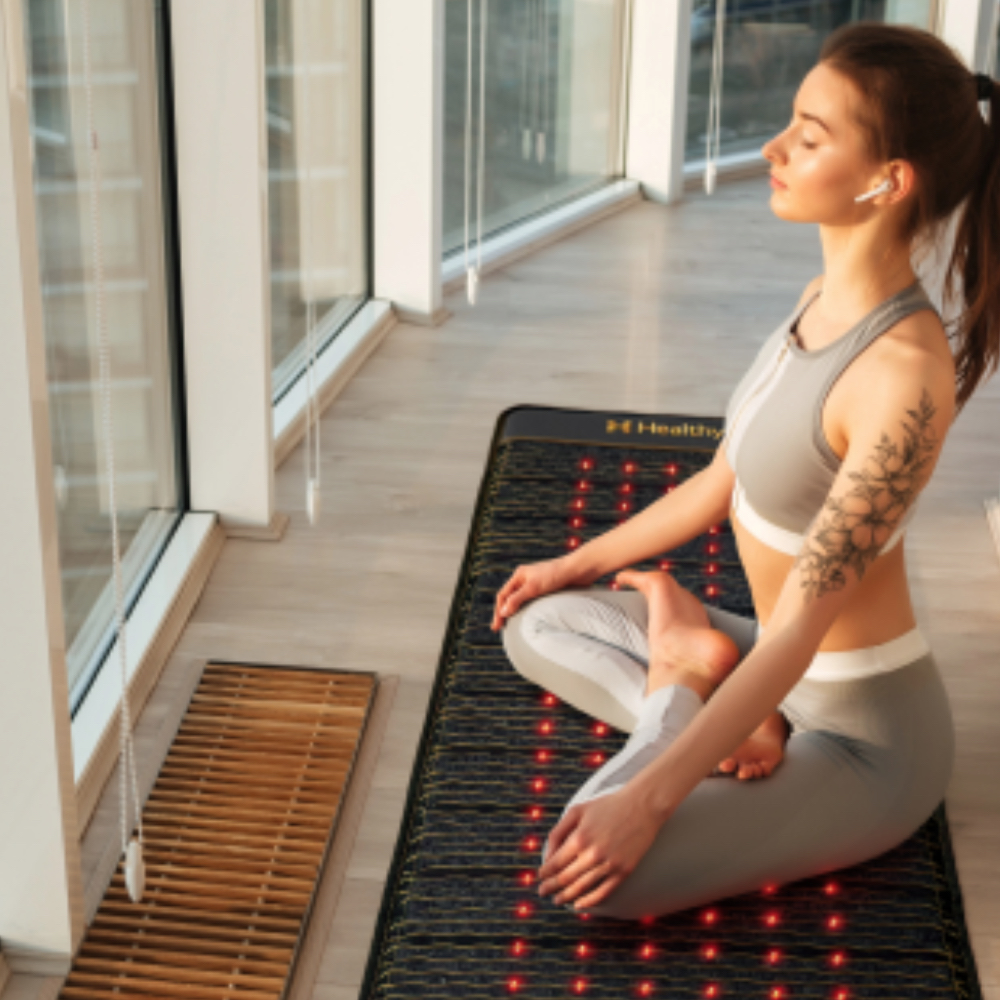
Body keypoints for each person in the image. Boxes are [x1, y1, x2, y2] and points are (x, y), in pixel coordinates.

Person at [491, 22, 1000, 921]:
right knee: (541, 623)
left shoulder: (902, 379)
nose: (774, 149)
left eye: (809, 137)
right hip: (771, 664)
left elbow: (803, 630)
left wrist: (645, 803)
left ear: (887, 181)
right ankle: (693, 676)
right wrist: (577, 562)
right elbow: (724, 480)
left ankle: (684, 680)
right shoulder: (819, 298)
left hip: (861, 739)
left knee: (589, 871)